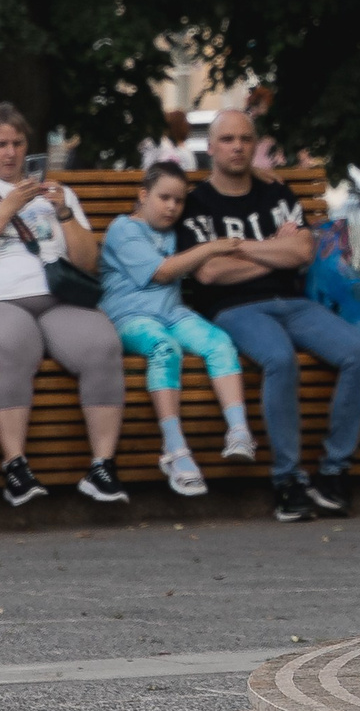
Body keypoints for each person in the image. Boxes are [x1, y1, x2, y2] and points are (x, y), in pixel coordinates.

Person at [174, 108, 360, 522]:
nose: (237, 147)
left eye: (245, 139)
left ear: (255, 146)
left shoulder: (278, 196)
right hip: (233, 308)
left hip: (297, 305)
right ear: (211, 147)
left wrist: (237, 247)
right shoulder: (195, 206)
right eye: (228, 140)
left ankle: (332, 472)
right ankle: (287, 480)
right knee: (279, 359)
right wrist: (273, 250)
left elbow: (302, 251)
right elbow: (210, 272)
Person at [0, 104, 130, 507]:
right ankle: (15, 466)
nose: (9, 153)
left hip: (57, 299)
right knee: (14, 339)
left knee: (102, 343)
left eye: (17, 143)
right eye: (0, 144)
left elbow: (87, 263)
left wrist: (62, 212)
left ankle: (103, 466)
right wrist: (8, 207)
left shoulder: (57, 194)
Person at [97, 161, 258, 495]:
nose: (172, 207)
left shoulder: (175, 230)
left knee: (220, 342)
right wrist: (211, 247)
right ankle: (174, 449)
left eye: (178, 201)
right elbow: (162, 272)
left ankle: (239, 432)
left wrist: (259, 172)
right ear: (143, 195)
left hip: (172, 313)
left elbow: (217, 186)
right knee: (164, 348)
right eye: (164, 198)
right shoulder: (123, 229)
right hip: (129, 319)